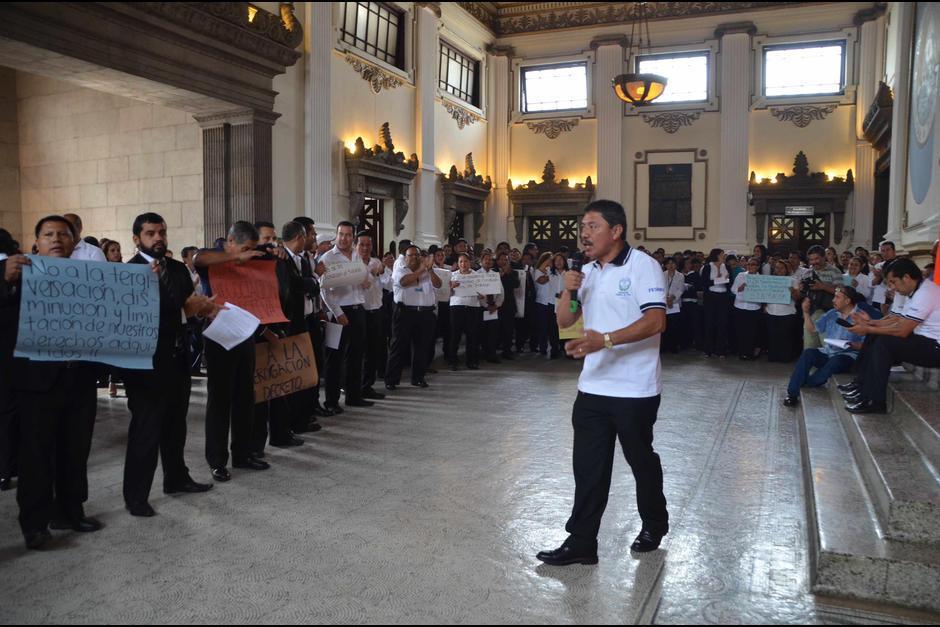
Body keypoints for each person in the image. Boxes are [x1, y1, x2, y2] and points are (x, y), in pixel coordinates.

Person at [537, 199, 668, 566]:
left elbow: (656, 322)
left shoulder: (644, 267)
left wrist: (604, 340)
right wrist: (569, 289)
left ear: (616, 231)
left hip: (634, 390)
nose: (584, 233)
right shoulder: (586, 272)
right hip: (593, 387)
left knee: (640, 460)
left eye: (592, 226)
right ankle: (581, 541)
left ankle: (655, 522)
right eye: (582, 226)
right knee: (589, 466)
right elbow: (565, 322)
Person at [1, 216, 102, 549]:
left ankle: (71, 511)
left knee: (75, 450)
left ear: (75, 242)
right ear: (36, 242)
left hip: (80, 378)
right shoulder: (18, 274)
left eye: (64, 234)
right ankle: (35, 524)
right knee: (36, 454)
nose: (57, 239)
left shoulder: (92, 279)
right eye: (49, 234)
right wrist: (4, 280)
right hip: (36, 381)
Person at [121, 213, 219, 517]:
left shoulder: (177, 268)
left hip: (177, 359)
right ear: (137, 239)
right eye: (150, 233)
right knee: (146, 430)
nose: (158, 238)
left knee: (176, 425)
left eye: (162, 231)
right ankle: (136, 496)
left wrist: (203, 309)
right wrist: (182, 308)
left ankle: (176, 478)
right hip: (146, 365)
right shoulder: (127, 273)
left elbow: (188, 305)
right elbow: (132, 318)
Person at [193, 222, 272, 481]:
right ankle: (217, 460)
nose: (248, 254)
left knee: (244, 396)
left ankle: (243, 453)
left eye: (252, 249)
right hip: (219, 334)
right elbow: (197, 258)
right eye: (245, 248)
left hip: (245, 332)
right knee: (220, 399)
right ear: (230, 242)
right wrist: (235, 256)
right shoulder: (212, 255)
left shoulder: (250, 260)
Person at [840, 260, 940, 414]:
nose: (892, 287)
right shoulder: (917, 289)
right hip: (923, 340)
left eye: (893, 282)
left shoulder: (925, 293)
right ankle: (862, 387)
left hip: (934, 348)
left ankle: (876, 401)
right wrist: (871, 324)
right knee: (876, 337)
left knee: (884, 342)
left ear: (906, 277)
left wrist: (868, 328)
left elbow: (902, 331)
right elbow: (900, 319)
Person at [317, 221, 372, 412]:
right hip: (338, 313)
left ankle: (354, 396)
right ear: (336, 235)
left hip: (358, 309)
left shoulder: (357, 255)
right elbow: (323, 289)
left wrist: (367, 281)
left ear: (353, 237)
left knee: (356, 356)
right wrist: (338, 313)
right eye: (341, 234)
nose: (344, 238)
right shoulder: (328, 257)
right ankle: (331, 401)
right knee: (335, 358)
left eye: (348, 235)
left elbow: (365, 279)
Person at [782, 286, 868, 407]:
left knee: (835, 361)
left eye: (837, 297)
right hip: (829, 351)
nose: (833, 300)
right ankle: (791, 394)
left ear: (847, 301)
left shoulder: (861, 316)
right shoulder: (832, 313)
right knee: (808, 353)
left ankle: (808, 382)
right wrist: (806, 312)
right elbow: (812, 329)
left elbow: (867, 345)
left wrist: (851, 345)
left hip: (848, 356)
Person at [385, 245, 441, 389]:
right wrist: (421, 270)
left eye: (417, 255)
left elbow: (438, 284)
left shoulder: (428, 271)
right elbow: (404, 282)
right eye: (411, 255)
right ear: (405, 257)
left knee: (422, 347)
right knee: (399, 347)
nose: (414, 258)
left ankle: (418, 378)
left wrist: (430, 270)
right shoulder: (400, 270)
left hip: (425, 313)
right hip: (405, 313)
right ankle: (391, 379)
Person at [359, 232, 388, 400]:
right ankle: (356, 386)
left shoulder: (376, 262)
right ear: (356, 245)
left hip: (377, 310)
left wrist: (382, 271)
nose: (365, 248)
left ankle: (367, 385)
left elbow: (387, 283)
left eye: (368, 245)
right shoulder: (353, 264)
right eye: (361, 244)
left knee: (373, 351)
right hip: (361, 311)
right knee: (359, 352)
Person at [448, 253, 482, 370]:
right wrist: (451, 287)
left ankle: (472, 361)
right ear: (458, 263)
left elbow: (483, 293)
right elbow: (446, 294)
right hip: (457, 306)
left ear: (470, 262)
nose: (463, 264)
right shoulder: (452, 275)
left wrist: (482, 294)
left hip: (472, 307)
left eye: (466, 261)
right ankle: (453, 361)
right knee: (455, 335)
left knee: (472, 335)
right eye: (461, 261)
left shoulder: (477, 275)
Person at [764, 260, 801, 362]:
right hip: (771, 312)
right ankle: (773, 357)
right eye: (777, 268)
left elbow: (797, 298)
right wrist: (765, 307)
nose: (779, 270)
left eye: (782, 268)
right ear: (774, 269)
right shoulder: (769, 280)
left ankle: (785, 358)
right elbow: (764, 295)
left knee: (786, 337)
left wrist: (792, 290)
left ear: (786, 269)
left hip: (787, 313)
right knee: (772, 336)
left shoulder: (793, 280)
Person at [701, 248, 731, 358]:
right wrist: (718, 280)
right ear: (717, 255)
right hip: (711, 297)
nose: (724, 256)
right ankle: (708, 349)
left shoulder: (726, 266)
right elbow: (704, 282)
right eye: (723, 254)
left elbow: (729, 282)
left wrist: (726, 280)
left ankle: (720, 350)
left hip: (723, 297)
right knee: (709, 323)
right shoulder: (708, 267)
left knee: (722, 323)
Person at [731, 258, 763, 360]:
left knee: (752, 332)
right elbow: (733, 289)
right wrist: (739, 288)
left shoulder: (762, 278)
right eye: (748, 264)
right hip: (740, 306)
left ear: (757, 266)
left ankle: (749, 353)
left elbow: (764, 294)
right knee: (740, 331)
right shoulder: (741, 275)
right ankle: (741, 352)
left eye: (753, 264)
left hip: (753, 308)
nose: (750, 266)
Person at [532, 252, 558, 357]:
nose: (552, 262)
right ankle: (542, 347)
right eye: (550, 260)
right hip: (541, 302)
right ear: (545, 260)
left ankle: (554, 348)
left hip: (551, 302)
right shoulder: (537, 271)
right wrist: (549, 273)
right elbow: (541, 281)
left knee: (552, 327)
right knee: (542, 327)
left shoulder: (552, 272)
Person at [478, 252, 503, 363]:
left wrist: (496, 305)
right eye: (486, 259)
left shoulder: (495, 274)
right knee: (482, 332)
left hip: (493, 308)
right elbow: (476, 292)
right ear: (481, 261)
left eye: (490, 260)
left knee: (493, 332)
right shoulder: (476, 274)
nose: (488, 261)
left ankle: (492, 354)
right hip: (482, 307)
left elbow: (501, 292)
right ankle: (483, 352)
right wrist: (486, 305)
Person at [496, 251, 519, 360]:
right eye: (501, 259)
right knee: (495, 329)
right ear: (497, 261)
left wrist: (508, 274)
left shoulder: (513, 272)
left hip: (509, 304)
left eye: (506, 260)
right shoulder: (493, 272)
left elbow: (516, 284)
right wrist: (500, 275)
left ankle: (507, 351)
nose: (503, 261)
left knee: (508, 330)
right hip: (495, 304)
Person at [662, 257, 685, 354]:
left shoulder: (680, 276)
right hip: (664, 303)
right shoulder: (662, 275)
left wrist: (672, 298)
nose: (671, 266)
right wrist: (666, 299)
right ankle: (664, 346)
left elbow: (681, 289)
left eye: (673, 263)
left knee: (674, 326)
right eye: (668, 263)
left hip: (675, 304)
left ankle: (673, 346)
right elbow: (660, 288)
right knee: (664, 326)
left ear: (676, 265)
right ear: (665, 265)